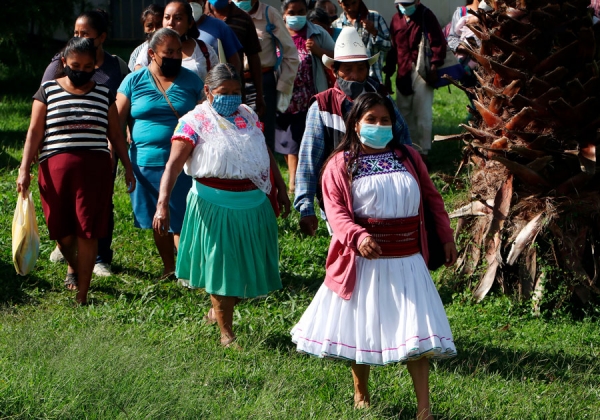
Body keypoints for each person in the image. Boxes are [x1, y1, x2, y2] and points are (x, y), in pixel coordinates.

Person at [291, 92, 458, 418]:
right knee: (359, 328)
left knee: (418, 333)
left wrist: (446, 236)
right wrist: (357, 236)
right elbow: (336, 212)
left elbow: (432, 199)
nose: (379, 126)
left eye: (385, 120)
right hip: (363, 261)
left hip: (408, 261)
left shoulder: (408, 156)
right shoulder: (339, 165)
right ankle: (361, 393)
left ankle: (424, 410)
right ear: (355, 124)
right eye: (372, 120)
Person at [153, 64, 290, 347]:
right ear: (208, 91)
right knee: (223, 266)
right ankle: (227, 334)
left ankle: (216, 311)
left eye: (236, 91)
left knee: (246, 265)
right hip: (215, 205)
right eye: (223, 92)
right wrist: (162, 204)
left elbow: (263, 152)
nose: (231, 97)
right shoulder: (194, 122)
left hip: (253, 202)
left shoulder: (248, 116)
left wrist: (280, 188)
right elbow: (173, 166)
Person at [17, 37, 136, 304]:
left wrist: (128, 167)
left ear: (95, 65)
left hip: (95, 171)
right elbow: (34, 133)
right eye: (75, 65)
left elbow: (116, 136)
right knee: (60, 231)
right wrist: (24, 169)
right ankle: (75, 264)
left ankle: (83, 291)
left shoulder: (106, 95)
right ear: (63, 63)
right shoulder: (47, 91)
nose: (80, 70)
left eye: (87, 66)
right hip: (54, 170)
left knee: (88, 230)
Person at [294, 27, 411, 236]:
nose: (354, 76)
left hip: (383, 190)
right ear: (335, 71)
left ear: (368, 70)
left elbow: (403, 141)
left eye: (360, 69)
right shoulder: (322, 106)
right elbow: (309, 159)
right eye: (347, 70)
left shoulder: (381, 98)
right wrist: (306, 207)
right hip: (339, 195)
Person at [42, 9, 129, 277]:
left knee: (101, 204)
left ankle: (100, 256)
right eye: (76, 33)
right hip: (62, 148)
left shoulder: (116, 66)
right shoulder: (59, 62)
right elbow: (44, 104)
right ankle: (69, 249)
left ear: (101, 37)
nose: (79, 38)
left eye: (86, 34)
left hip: (101, 148)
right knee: (65, 202)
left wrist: (121, 142)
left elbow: (124, 104)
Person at [116, 28, 204, 279]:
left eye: (178, 51)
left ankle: (189, 268)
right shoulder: (133, 81)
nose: (175, 56)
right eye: (169, 52)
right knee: (159, 218)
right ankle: (170, 266)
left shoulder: (192, 81)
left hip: (184, 162)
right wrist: (121, 161)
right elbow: (117, 122)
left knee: (183, 217)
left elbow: (203, 119)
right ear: (152, 53)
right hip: (145, 162)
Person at [276, 0, 334, 193]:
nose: (296, 16)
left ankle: (295, 183)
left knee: (299, 140)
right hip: (283, 98)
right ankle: (296, 179)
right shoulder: (275, 33)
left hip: (309, 98)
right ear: (283, 13)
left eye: (301, 11)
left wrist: (318, 51)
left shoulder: (317, 33)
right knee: (287, 141)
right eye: (292, 12)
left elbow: (337, 58)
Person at [384, 0, 446, 160]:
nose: (405, 6)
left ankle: (423, 153)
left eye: (408, 3)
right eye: (402, 3)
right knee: (404, 113)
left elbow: (438, 43)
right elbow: (392, 49)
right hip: (402, 72)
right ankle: (407, 150)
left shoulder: (426, 15)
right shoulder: (395, 20)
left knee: (422, 113)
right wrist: (388, 75)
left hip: (422, 72)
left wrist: (434, 66)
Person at [247, 0, 300, 151]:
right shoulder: (225, 13)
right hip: (232, 84)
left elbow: (291, 54)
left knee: (263, 141)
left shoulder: (269, 14)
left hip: (263, 83)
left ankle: (267, 174)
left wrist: (282, 88)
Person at [204, 0, 266, 117]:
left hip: (233, 94)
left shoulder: (243, 18)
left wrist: (259, 94)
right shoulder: (199, 17)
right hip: (207, 93)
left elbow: (253, 57)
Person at [135, 1, 218, 84]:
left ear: (190, 23)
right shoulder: (150, 48)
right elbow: (138, 81)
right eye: (167, 18)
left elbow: (217, 84)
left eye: (178, 18)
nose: (170, 23)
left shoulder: (204, 50)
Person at [331, 0, 391, 83]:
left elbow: (388, 46)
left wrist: (374, 32)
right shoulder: (336, 25)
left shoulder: (375, 18)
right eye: (346, 5)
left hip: (373, 78)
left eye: (354, 3)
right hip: (348, 82)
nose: (351, 8)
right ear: (339, 3)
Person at [188, 0, 243, 74]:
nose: (191, 5)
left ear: (204, 2)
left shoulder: (219, 26)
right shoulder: (175, 28)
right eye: (187, 0)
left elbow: (235, 63)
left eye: (195, 0)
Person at [128, 4, 164, 72]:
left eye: (159, 25)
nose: (154, 30)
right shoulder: (137, 53)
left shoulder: (174, 48)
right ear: (144, 28)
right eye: (150, 26)